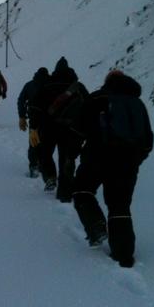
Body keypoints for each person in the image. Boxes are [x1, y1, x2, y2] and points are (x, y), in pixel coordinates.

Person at [71, 70, 154, 268]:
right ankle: (123, 255)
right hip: (128, 161)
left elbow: (78, 129)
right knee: (119, 205)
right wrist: (136, 159)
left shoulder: (97, 98)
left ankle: (96, 226)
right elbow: (148, 139)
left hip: (96, 157)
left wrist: (73, 152)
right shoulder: (137, 103)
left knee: (82, 190)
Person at [29, 57, 88, 202]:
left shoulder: (48, 84)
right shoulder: (78, 87)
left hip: (48, 127)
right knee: (67, 159)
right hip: (71, 130)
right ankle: (65, 192)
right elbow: (88, 108)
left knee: (45, 154)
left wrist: (33, 127)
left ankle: (50, 177)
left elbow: (36, 106)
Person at [17, 67, 49, 177]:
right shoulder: (50, 84)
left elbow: (21, 100)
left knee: (33, 142)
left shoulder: (30, 84)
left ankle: (34, 166)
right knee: (46, 144)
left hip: (34, 119)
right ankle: (43, 165)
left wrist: (22, 116)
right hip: (50, 120)